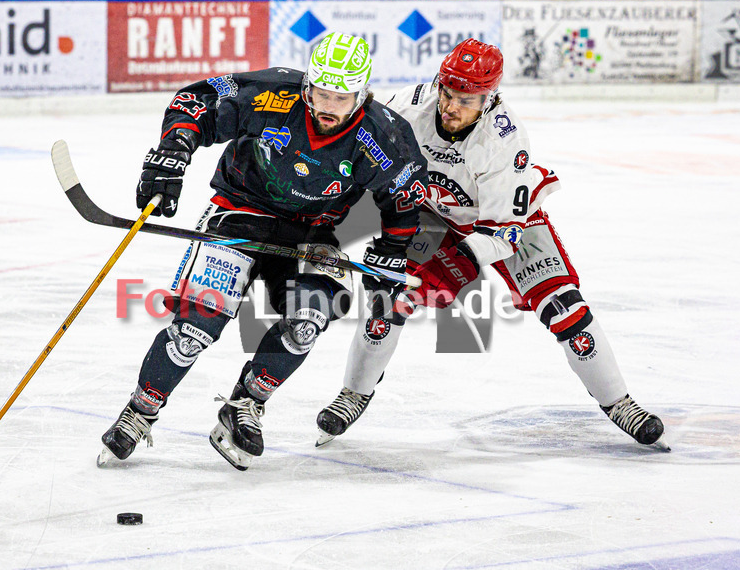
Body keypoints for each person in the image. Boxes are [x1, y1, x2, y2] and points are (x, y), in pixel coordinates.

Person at [314, 38, 669, 452]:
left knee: (565, 309)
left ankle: (620, 403)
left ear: (489, 97)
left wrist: (459, 261)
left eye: (466, 100)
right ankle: (354, 394)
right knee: (386, 297)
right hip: (432, 215)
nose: (451, 108)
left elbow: (503, 233)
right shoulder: (407, 107)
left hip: (508, 224)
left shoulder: (505, 140)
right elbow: (358, 156)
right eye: (447, 92)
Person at [98, 32, 429, 471]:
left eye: (342, 97)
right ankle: (140, 411)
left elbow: (404, 197)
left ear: (362, 94)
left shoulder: (383, 134)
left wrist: (393, 248)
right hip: (239, 210)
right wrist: (173, 152)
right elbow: (195, 103)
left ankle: (245, 404)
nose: (328, 105)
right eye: (322, 92)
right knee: (194, 329)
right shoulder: (274, 94)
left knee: (309, 320)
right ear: (308, 85)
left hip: (312, 232)